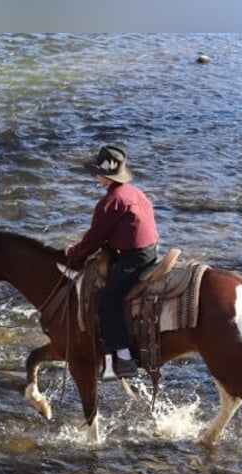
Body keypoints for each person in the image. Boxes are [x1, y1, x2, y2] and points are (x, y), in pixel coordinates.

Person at [66, 145, 159, 380]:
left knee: (107, 301)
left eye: (97, 172)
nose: (95, 176)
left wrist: (73, 254)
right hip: (150, 251)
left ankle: (125, 359)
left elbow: (94, 239)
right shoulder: (135, 192)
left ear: (106, 176)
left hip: (134, 257)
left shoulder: (110, 202)